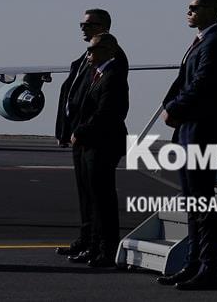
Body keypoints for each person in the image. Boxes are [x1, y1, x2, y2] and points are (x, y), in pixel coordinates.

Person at [156, 0, 217, 291]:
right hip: (190, 130)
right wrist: (169, 107)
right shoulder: (200, 42)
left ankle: (210, 269)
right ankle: (192, 264)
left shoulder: (215, 44)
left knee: (203, 204)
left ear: (212, 10)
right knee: (192, 203)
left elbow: (202, 84)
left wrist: (174, 109)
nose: (189, 12)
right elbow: (182, 81)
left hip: (204, 131)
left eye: (195, 7)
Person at [55, 8, 127, 259]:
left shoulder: (113, 63)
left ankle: (101, 246)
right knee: (87, 195)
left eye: (88, 24)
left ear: (103, 27)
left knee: (100, 197)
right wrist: (66, 130)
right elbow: (73, 95)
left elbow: (107, 107)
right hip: (83, 138)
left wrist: (83, 130)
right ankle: (89, 241)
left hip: (98, 139)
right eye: (82, 24)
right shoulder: (89, 60)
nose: (83, 28)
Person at [68, 33, 130, 268]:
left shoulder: (113, 76)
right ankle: (94, 248)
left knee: (103, 201)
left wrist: (81, 131)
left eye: (93, 50)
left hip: (104, 144)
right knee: (94, 200)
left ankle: (107, 250)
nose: (88, 54)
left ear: (108, 51)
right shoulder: (100, 74)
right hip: (92, 144)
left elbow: (107, 113)